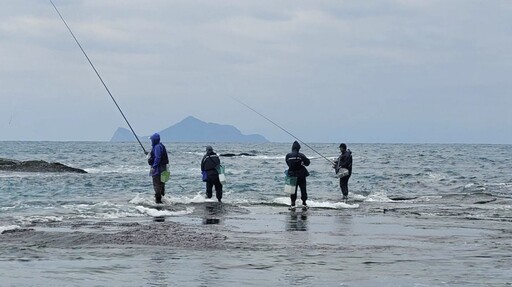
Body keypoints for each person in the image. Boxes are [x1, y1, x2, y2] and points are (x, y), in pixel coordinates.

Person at [285, 141, 310, 210]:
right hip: (301, 175)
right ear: (299, 148)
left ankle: (293, 204)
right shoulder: (301, 155)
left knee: (293, 190)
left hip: (292, 175)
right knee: (303, 189)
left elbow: (287, 163)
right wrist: (303, 163)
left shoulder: (288, 155)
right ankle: (304, 203)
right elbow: (307, 163)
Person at [147, 133, 169, 204]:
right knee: (162, 184)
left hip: (158, 170)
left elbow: (157, 158)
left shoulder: (157, 147)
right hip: (164, 169)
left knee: (156, 184)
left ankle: (158, 200)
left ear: (154, 140)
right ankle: (162, 199)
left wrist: (154, 166)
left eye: (152, 140)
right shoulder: (161, 146)